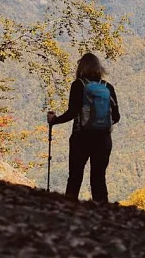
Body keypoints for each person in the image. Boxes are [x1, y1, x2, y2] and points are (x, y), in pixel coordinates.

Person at [47, 53, 120, 202]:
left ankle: (69, 210)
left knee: (75, 176)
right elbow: (117, 116)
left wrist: (55, 120)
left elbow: (72, 112)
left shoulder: (78, 85)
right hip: (103, 140)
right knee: (99, 178)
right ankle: (103, 214)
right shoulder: (108, 87)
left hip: (81, 138)